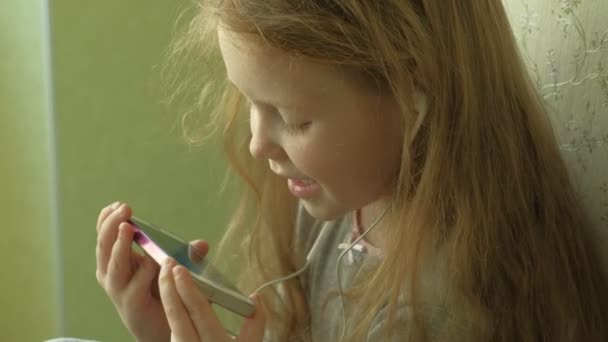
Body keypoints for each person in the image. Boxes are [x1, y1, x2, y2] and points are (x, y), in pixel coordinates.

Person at [95, 1, 608, 341]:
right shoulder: (336, 198)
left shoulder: (437, 318)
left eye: (293, 119)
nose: (256, 144)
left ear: (413, 98)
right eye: (249, 102)